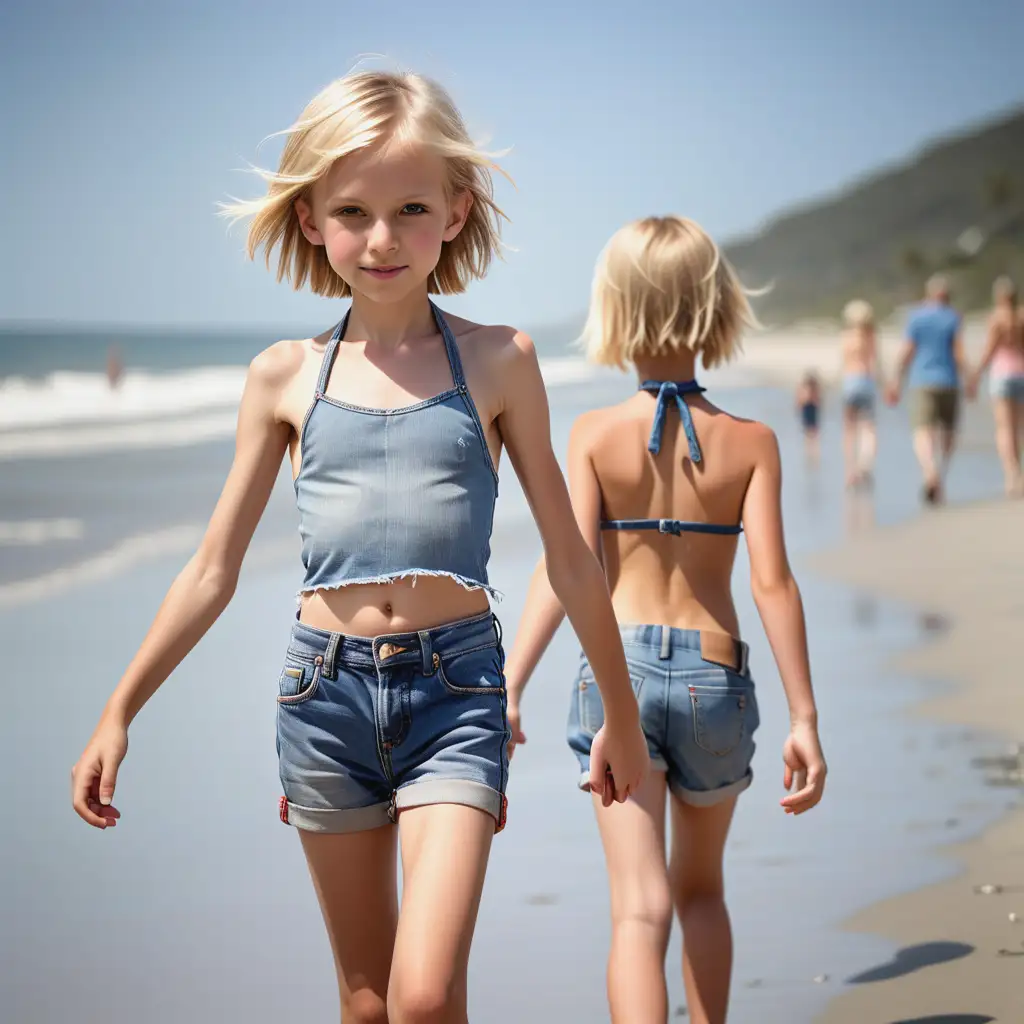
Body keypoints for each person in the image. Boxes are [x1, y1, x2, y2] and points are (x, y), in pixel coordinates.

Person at [69, 70, 649, 1024]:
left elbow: (572, 555)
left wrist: (619, 713)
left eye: (411, 208)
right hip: (322, 698)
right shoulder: (282, 378)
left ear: (456, 212)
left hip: (457, 695)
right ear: (310, 219)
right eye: (354, 211)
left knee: (423, 997)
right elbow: (213, 568)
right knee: (370, 1002)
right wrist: (118, 709)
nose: (382, 238)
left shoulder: (500, 360)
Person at [503, 216, 827, 1024]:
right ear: (718, 308)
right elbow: (774, 585)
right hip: (717, 681)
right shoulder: (752, 443)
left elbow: (565, 570)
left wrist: (508, 685)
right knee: (702, 893)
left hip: (618, 684)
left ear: (613, 309)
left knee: (637, 910)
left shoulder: (592, 436)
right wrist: (806, 717)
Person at [886, 274, 974, 504]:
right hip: (949, 381)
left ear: (928, 294)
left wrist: (895, 379)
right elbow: (959, 352)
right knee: (947, 431)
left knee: (922, 430)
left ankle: (929, 470)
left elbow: (907, 351)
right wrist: (970, 377)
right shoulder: (953, 317)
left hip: (922, 381)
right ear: (947, 296)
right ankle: (941, 474)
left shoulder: (916, 317)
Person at [970, 276, 1024, 497]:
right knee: (1018, 428)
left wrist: (975, 375)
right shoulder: (1021, 317)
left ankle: (1011, 475)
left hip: (1001, 375)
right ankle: (1019, 472)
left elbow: (990, 350)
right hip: (1021, 373)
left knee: (1004, 428)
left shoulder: (996, 319)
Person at [839, 299, 879, 488]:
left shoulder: (846, 336)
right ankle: (865, 464)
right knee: (868, 428)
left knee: (849, 430)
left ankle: (850, 471)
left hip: (849, 382)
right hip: (866, 381)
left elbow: (842, 363)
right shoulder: (870, 336)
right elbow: (876, 362)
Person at [794, 370, 821, 464]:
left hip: (810, 410)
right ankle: (811, 454)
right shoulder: (810, 389)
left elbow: (800, 402)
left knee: (811, 434)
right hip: (809, 410)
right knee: (811, 434)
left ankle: (811, 454)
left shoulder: (808, 390)